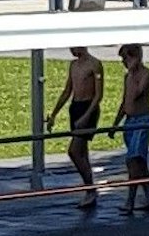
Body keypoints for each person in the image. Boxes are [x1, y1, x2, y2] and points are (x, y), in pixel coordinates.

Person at [46, 46, 105, 208]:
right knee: (82, 152)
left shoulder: (95, 64)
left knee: (74, 151)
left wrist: (87, 116)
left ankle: (91, 188)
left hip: (88, 108)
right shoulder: (73, 65)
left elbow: (98, 95)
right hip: (76, 107)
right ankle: (89, 188)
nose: (71, 50)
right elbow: (67, 91)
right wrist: (54, 114)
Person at [109, 44, 149, 214]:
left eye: (126, 58)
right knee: (140, 163)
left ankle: (130, 199)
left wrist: (133, 74)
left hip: (143, 120)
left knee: (133, 160)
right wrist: (116, 123)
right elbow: (125, 101)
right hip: (130, 122)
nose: (123, 62)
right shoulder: (127, 77)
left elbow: (137, 92)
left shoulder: (146, 74)